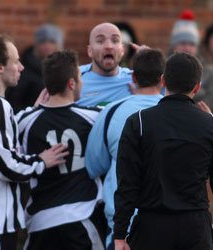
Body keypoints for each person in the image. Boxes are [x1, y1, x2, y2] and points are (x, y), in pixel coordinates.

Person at [113, 53, 213, 250]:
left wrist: (119, 233)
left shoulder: (139, 122)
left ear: (163, 80)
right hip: (194, 227)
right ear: (197, 87)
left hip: (151, 226)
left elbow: (127, 183)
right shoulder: (212, 125)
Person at [0, 35, 69, 250]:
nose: (21, 67)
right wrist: (41, 161)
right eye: (16, 61)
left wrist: (33, 112)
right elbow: (6, 165)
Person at [16, 50, 105, 250]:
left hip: (40, 222)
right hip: (80, 217)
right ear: (71, 84)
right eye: (80, 77)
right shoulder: (95, 117)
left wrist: (34, 109)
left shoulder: (24, 121)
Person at [85, 48, 165, 249]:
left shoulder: (112, 111)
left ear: (134, 77)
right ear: (163, 79)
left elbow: (93, 166)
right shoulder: (182, 114)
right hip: (171, 226)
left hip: (123, 228)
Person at [169, 10, 213, 118]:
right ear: (174, 46)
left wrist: (188, 105)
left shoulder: (209, 70)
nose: (187, 48)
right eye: (182, 43)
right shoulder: (164, 67)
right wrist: (199, 94)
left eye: (191, 44)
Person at [6, 23, 64, 112]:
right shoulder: (23, 69)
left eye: (52, 42)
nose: (47, 46)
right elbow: (14, 100)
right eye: (43, 41)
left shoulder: (65, 69)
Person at [77, 23, 132, 107]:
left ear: (122, 50)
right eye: (100, 41)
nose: (109, 46)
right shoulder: (74, 78)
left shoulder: (135, 79)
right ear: (90, 51)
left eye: (115, 41)